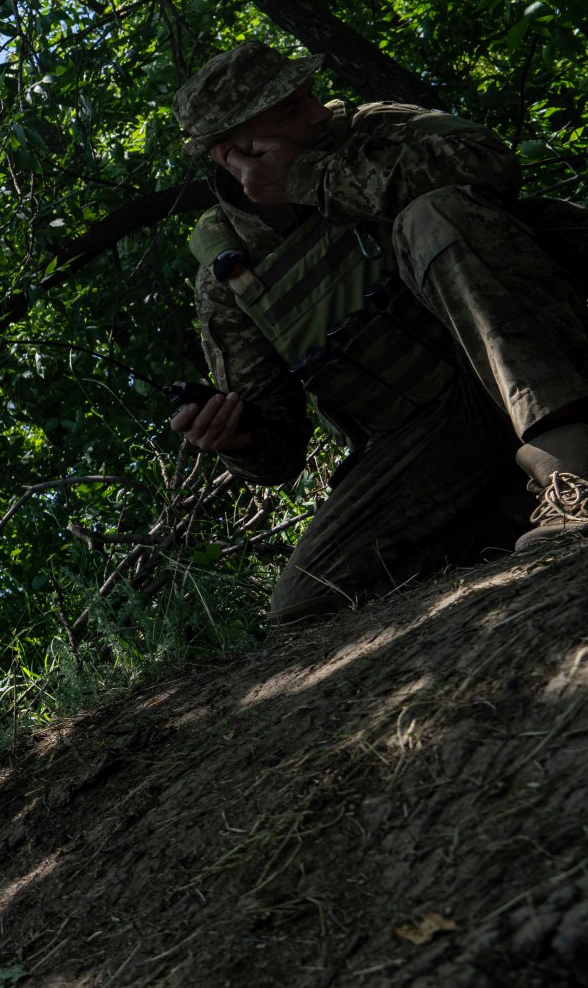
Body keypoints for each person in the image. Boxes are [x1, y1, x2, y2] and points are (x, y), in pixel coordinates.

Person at [168, 40, 588, 625]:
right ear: (234, 152)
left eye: (305, 97)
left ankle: (575, 477)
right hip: (436, 432)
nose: (316, 113)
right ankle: (521, 506)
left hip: (550, 354)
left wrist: (311, 177)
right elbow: (279, 450)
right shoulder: (231, 274)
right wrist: (236, 439)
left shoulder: (376, 128)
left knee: (431, 215)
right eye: (290, 111)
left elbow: (490, 161)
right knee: (306, 602)